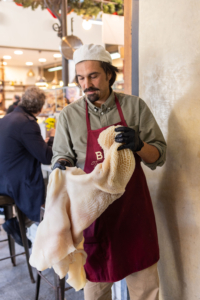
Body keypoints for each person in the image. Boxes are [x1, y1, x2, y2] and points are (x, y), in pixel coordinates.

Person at [52, 44, 167, 300]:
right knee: (96, 287)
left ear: (108, 75)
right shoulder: (69, 116)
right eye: (81, 78)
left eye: (93, 75)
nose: (86, 84)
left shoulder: (135, 107)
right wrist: (60, 164)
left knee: (146, 288)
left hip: (133, 211)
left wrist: (139, 145)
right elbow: (62, 155)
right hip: (93, 216)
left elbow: (159, 155)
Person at [0, 87, 53, 248]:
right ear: (40, 107)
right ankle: (43, 241)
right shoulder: (27, 123)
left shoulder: (7, 118)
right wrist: (52, 138)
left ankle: (18, 222)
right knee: (53, 190)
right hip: (15, 184)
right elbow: (46, 158)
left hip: (3, 180)